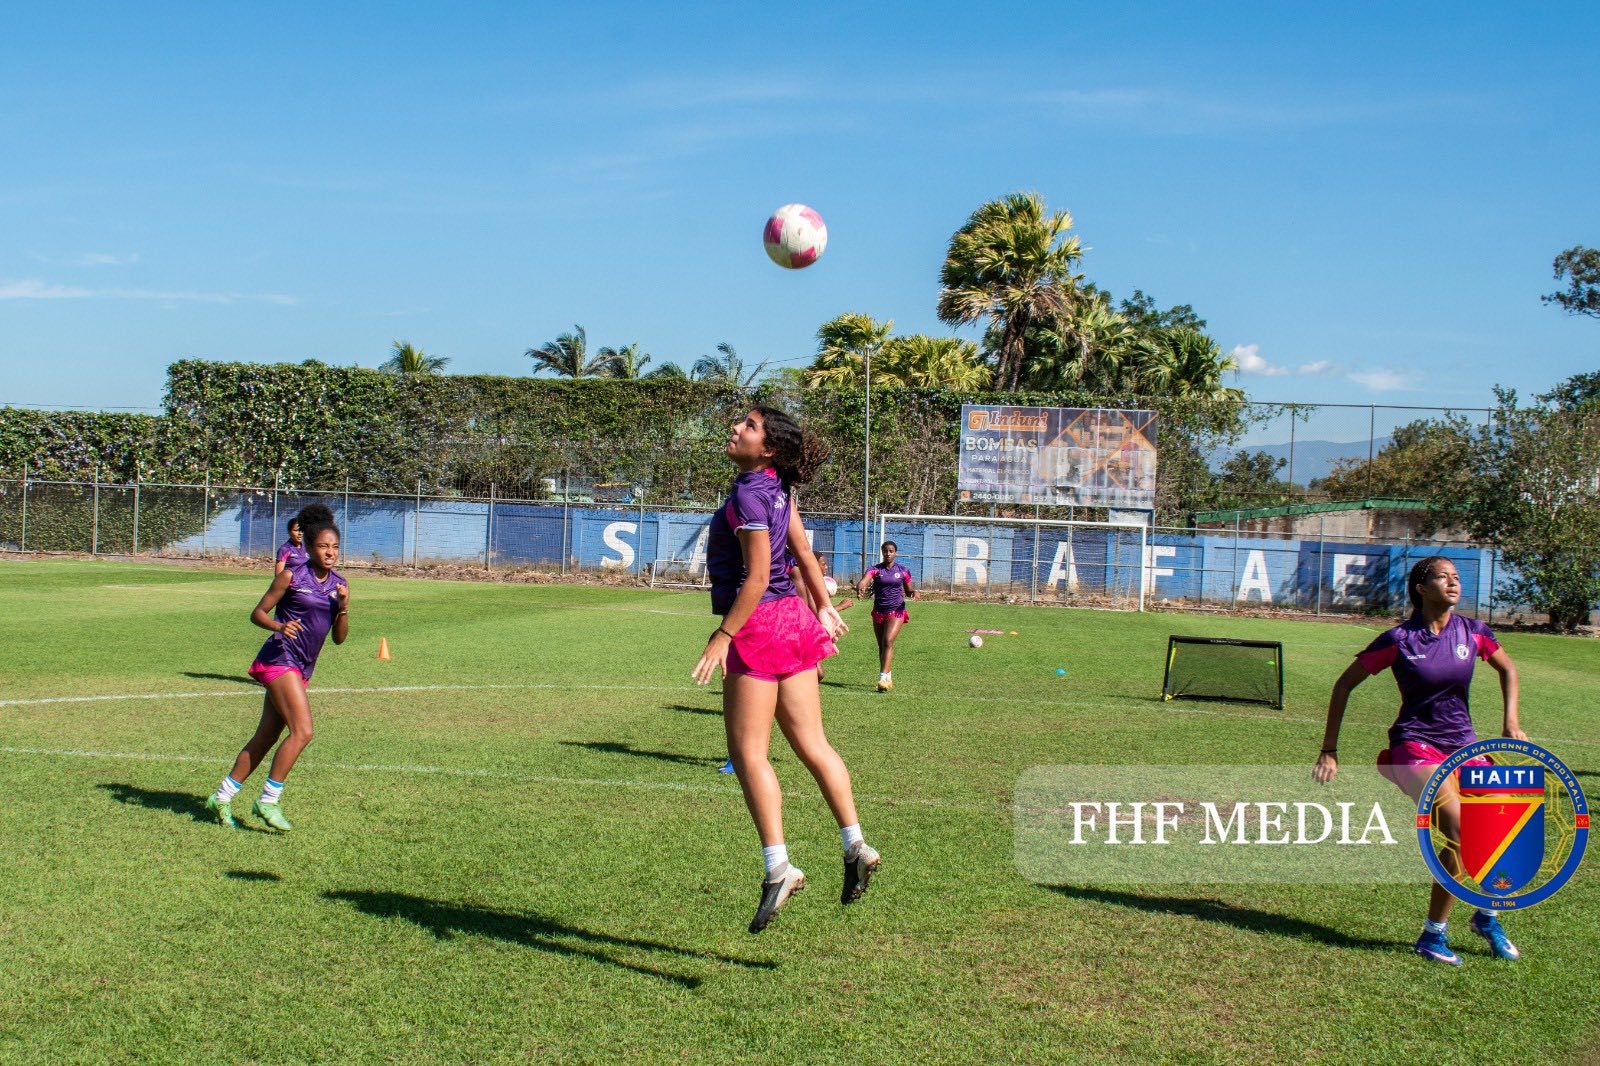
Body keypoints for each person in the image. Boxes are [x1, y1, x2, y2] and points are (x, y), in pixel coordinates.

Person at [693, 406, 881, 932]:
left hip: (759, 627)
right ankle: (855, 843)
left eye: (748, 427)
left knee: (749, 753)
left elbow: (756, 578)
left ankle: (779, 866)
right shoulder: (776, 488)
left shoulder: (751, 493)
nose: (735, 429)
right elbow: (801, 551)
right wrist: (821, 606)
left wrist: (722, 636)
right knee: (814, 745)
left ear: (769, 447)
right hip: (794, 623)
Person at [1314, 556, 1525, 965]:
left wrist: (1510, 720)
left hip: (1464, 746)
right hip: (1415, 746)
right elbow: (1344, 685)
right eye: (1443, 577)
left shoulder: (1474, 632)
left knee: (1502, 828)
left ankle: (1487, 916)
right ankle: (1433, 936)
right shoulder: (1398, 639)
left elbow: (1508, 669)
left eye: (1457, 578)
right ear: (1421, 589)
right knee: (1457, 825)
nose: (1453, 583)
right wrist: (1329, 749)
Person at [206, 513, 350, 831]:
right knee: (303, 731)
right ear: (310, 548)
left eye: (335, 547)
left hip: (302, 666)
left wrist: (343, 608)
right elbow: (257, 613)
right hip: (279, 658)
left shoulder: (340, 584)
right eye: (323, 546)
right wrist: (279, 626)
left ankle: (222, 796)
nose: (330, 552)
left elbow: (339, 639)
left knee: (266, 737)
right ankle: (268, 800)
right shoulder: (291, 576)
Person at [857, 540, 915, 691]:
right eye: (885, 551)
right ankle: (888, 675)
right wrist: (860, 587)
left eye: (891, 551)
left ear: (895, 553)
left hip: (897, 610)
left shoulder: (903, 571)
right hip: (879, 611)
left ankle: (882, 678)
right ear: (882, 553)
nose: (888, 553)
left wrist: (914, 593)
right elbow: (864, 580)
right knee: (881, 646)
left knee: (888, 641)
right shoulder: (875, 570)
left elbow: (909, 590)